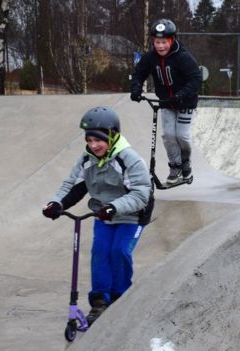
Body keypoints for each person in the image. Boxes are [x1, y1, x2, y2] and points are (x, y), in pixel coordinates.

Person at [42, 106, 152, 325]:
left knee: (118, 251)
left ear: (112, 135)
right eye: (89, 140)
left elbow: (141, 194)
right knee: (100, 252)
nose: (93, 145)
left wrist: (114, 207)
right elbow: (73, 185)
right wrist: (57, 203)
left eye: (98, 140)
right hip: (104, 214)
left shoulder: (128, 158)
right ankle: (100, 301)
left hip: (132, 214)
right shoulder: (87, 158)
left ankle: (121, 297)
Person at [129, 18, 202, 185]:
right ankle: (175, 167)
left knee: (181, 135)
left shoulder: (183, 57)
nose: (161, 46)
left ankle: (185, 164)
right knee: (168, 135)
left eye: (164, 42)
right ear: (153, 42)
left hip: (186, 102)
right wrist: (136, 89)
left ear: (172, 40)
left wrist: (181, 95)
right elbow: (139, 73)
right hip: (166, 102)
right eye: (157, 42)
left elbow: (195, 79)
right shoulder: (151, 57)